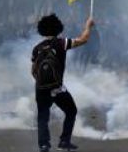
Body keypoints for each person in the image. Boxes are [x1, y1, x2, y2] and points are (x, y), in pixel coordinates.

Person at [31, 14, 94, 152]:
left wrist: (43, 84)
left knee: (42, 117)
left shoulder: (37, 48)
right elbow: (83, 39)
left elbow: (33, 71)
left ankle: (44, 145)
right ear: (58, 28)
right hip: (57, 88)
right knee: (71, 111)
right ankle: (64, 142)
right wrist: (88, 26)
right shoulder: (61, 43)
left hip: (40, 88)